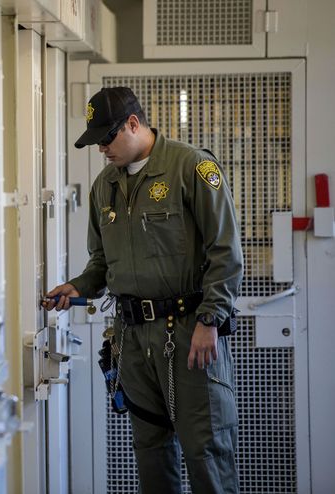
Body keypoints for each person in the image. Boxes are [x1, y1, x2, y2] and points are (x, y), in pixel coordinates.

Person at [43, 87, 243, 493]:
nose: (101, 148)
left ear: (133, 124)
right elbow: (102, 263)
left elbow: (226, 250)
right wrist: (77, 287)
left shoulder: (192, 167)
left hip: (190, 333)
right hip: (134, 340)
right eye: (96, 141)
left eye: (107, 138)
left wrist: (210, 319)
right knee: (150, 452)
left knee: (206, 451)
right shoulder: (105, 187)